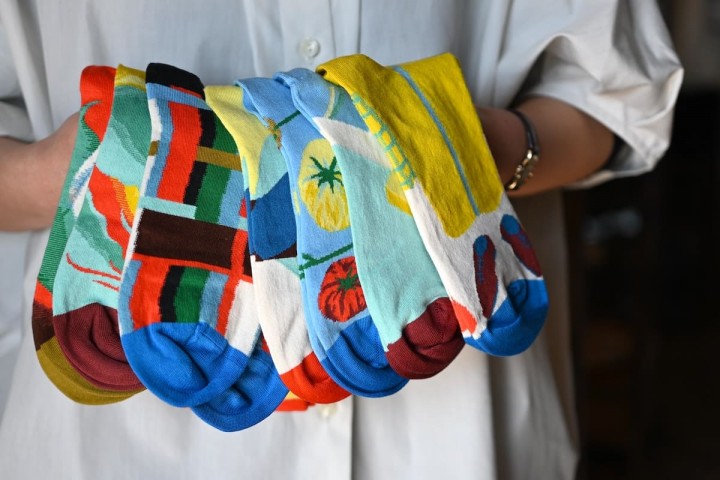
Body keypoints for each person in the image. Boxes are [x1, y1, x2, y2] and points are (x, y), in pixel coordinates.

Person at [0, 1, 682, 478]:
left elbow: (615, 95)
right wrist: (92, 170)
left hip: (460, 437)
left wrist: (449, 150)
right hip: (117, 453)